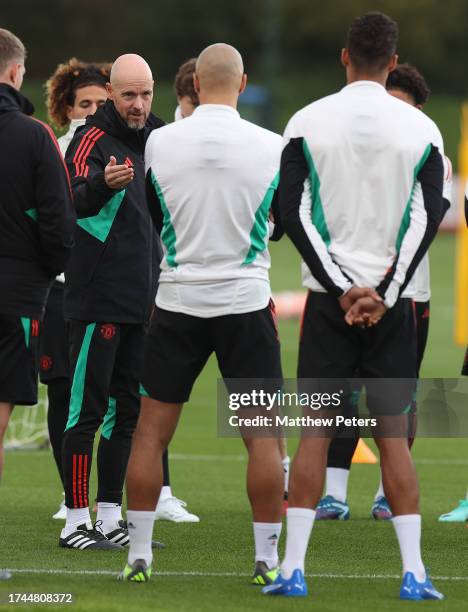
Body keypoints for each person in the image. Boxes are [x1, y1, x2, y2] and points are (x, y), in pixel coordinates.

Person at [263, 13, 446, 600]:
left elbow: (291, 214)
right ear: (393, 62)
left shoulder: (305, 121)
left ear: (345, 57)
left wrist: (342, 288)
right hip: (391, 307)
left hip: (327, 306)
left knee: (315, 433)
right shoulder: (424, 129)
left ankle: (293, 570)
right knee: (393, 435)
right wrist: (384, 293)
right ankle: (414, 574)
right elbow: (428, 216)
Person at [119, 43, 284, 584]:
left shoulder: (160, 143)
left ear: (193, 86)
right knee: (262, 438)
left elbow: (153, 208)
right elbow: (278, 225)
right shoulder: (271, 145)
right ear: (241, 84)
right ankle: (266, 559)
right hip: (244, 301)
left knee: (150, 434)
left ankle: (139, 554)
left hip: (178, 300)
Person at [317, 63, 452, 522]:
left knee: (400, 397)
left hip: (409, 293)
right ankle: (333, 491)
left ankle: (385, 492)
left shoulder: (428, 147)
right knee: (343, 391)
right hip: (348, 288)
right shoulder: (349, 149)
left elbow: (428, 221)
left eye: (401, 107)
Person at [59, 54, 165, 550]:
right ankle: (75, 520)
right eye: (128, 95)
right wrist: (103, 184)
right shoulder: (90, 140)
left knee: (127, 416)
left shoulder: (160, 139)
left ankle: (108, 516)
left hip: (142, 301)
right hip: (96, 300)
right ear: (111, 92)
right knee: (85, 413)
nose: (139, 104)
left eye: (145, 94)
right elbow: (72, 198)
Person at [0, 28, 75, 481]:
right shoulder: (34, 135)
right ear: (15, 72)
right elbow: (59, 223)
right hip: (15, 293)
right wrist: (44, 273)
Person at [43, 57, 111, 521]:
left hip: (105, 294)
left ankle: (104, 505)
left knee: (105, 401)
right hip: (59, 292)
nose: (90, 111)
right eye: (82, 104)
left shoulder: (120, 150)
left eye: (99, 103)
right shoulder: (53, 152)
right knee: (61, 392)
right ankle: (71, 497)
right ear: (66, 109)